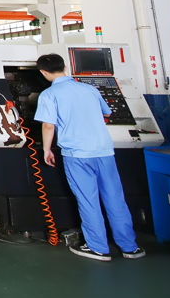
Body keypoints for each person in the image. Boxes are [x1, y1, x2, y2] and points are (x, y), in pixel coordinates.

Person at [33, 53, 145, 261]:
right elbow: (107, 113)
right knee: (115, 199)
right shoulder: (90, 89)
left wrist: (46, 150)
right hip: (104, 151)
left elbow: (48, 125)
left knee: (88, 201)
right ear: (65, 67)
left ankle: (98, 247)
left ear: (43, 72)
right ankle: (130, 247)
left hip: (77, 154)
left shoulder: (49, 95)